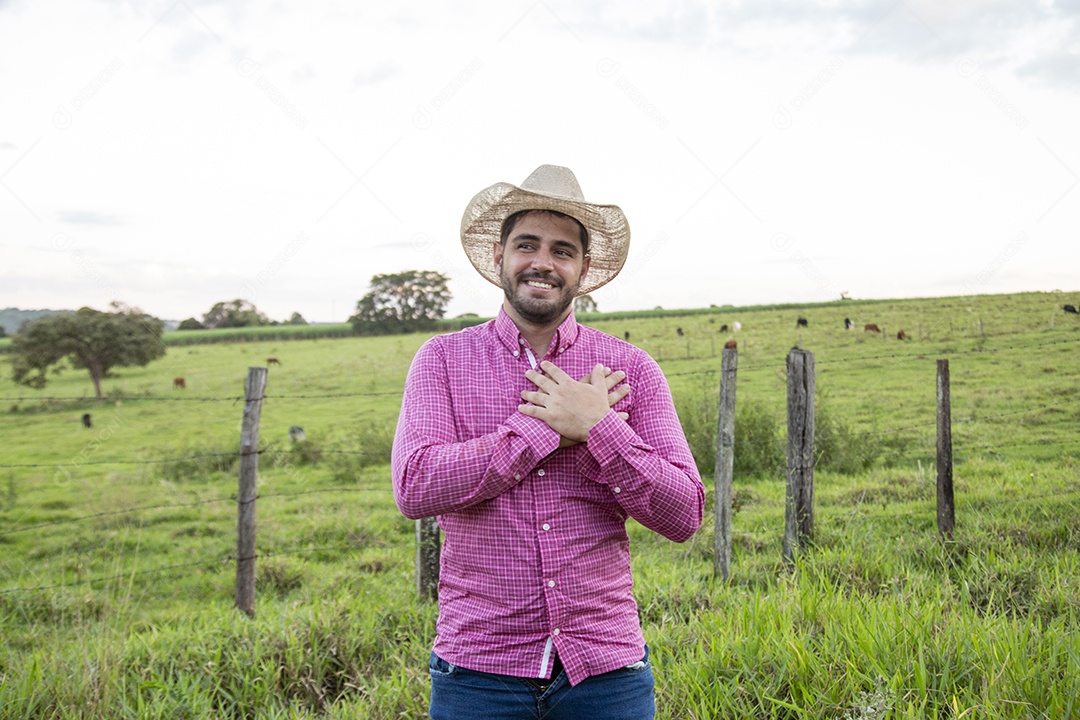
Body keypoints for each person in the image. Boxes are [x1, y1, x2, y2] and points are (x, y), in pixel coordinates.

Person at [391, 164, 704, 719]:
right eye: (527, 244)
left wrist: (600, 428)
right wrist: (543, 431)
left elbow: (684, 514)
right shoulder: (441, 358)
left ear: (584, 269)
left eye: (562, 250)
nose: (543, 262)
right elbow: (416, 484)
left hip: (605, 671)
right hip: (478, 669)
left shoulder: (631, 369)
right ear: (499, 257)